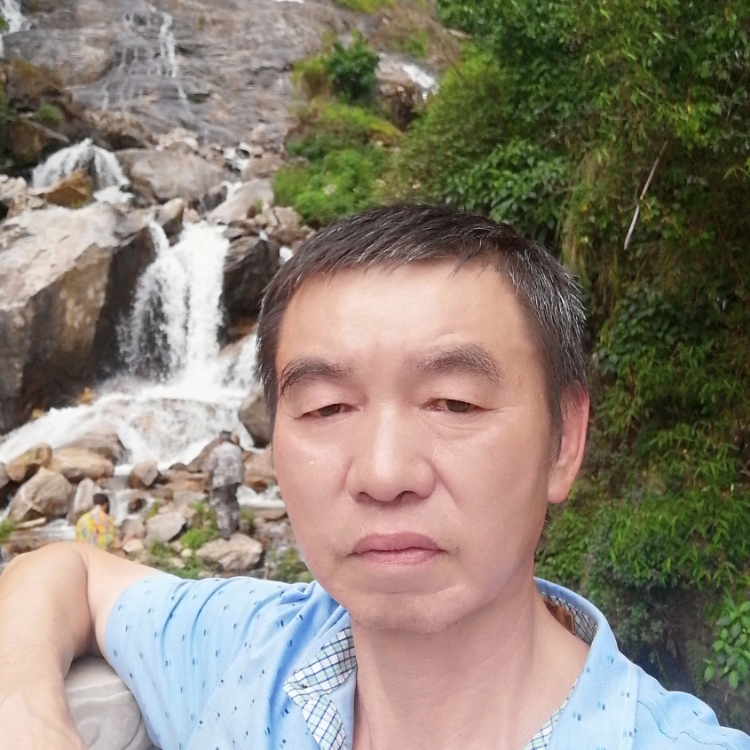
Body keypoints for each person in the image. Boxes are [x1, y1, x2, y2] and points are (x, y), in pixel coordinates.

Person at [0, 205, 747, 750]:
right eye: (326, 408)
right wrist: (25, 708)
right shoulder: (244, 649)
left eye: (454, 403)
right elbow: (65, 572)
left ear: (564, 441)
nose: (384, 474)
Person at [206, 430, 245, 540]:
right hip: (235, 479)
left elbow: (211, 467)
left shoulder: (217, 451)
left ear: (220, 439)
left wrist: (208, 479)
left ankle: (225, 530)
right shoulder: (237, 449)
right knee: (232, 500)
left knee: (221, 504)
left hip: (221, 480)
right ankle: (235, 524)